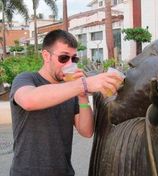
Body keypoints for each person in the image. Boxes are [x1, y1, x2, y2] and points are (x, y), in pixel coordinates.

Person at [9, 29, 123, 176]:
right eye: (63, 58)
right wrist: (84, 84)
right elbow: (28, 100)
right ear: (46, 56)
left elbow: (86, 131)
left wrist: (82, 96)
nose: (69, 64)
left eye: (74, 59)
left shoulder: (72, 89)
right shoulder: (26, 79)